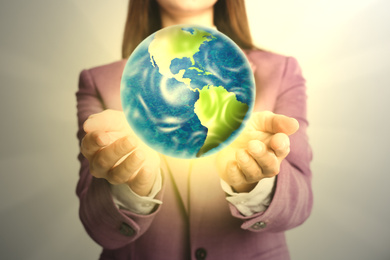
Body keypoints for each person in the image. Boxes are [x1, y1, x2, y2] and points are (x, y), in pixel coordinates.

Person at [76, 0, 313, 259]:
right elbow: (99, 228)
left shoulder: (282, 72)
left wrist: (255, 182)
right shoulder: (99, 82)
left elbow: (299, 206)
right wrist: (133, 187)